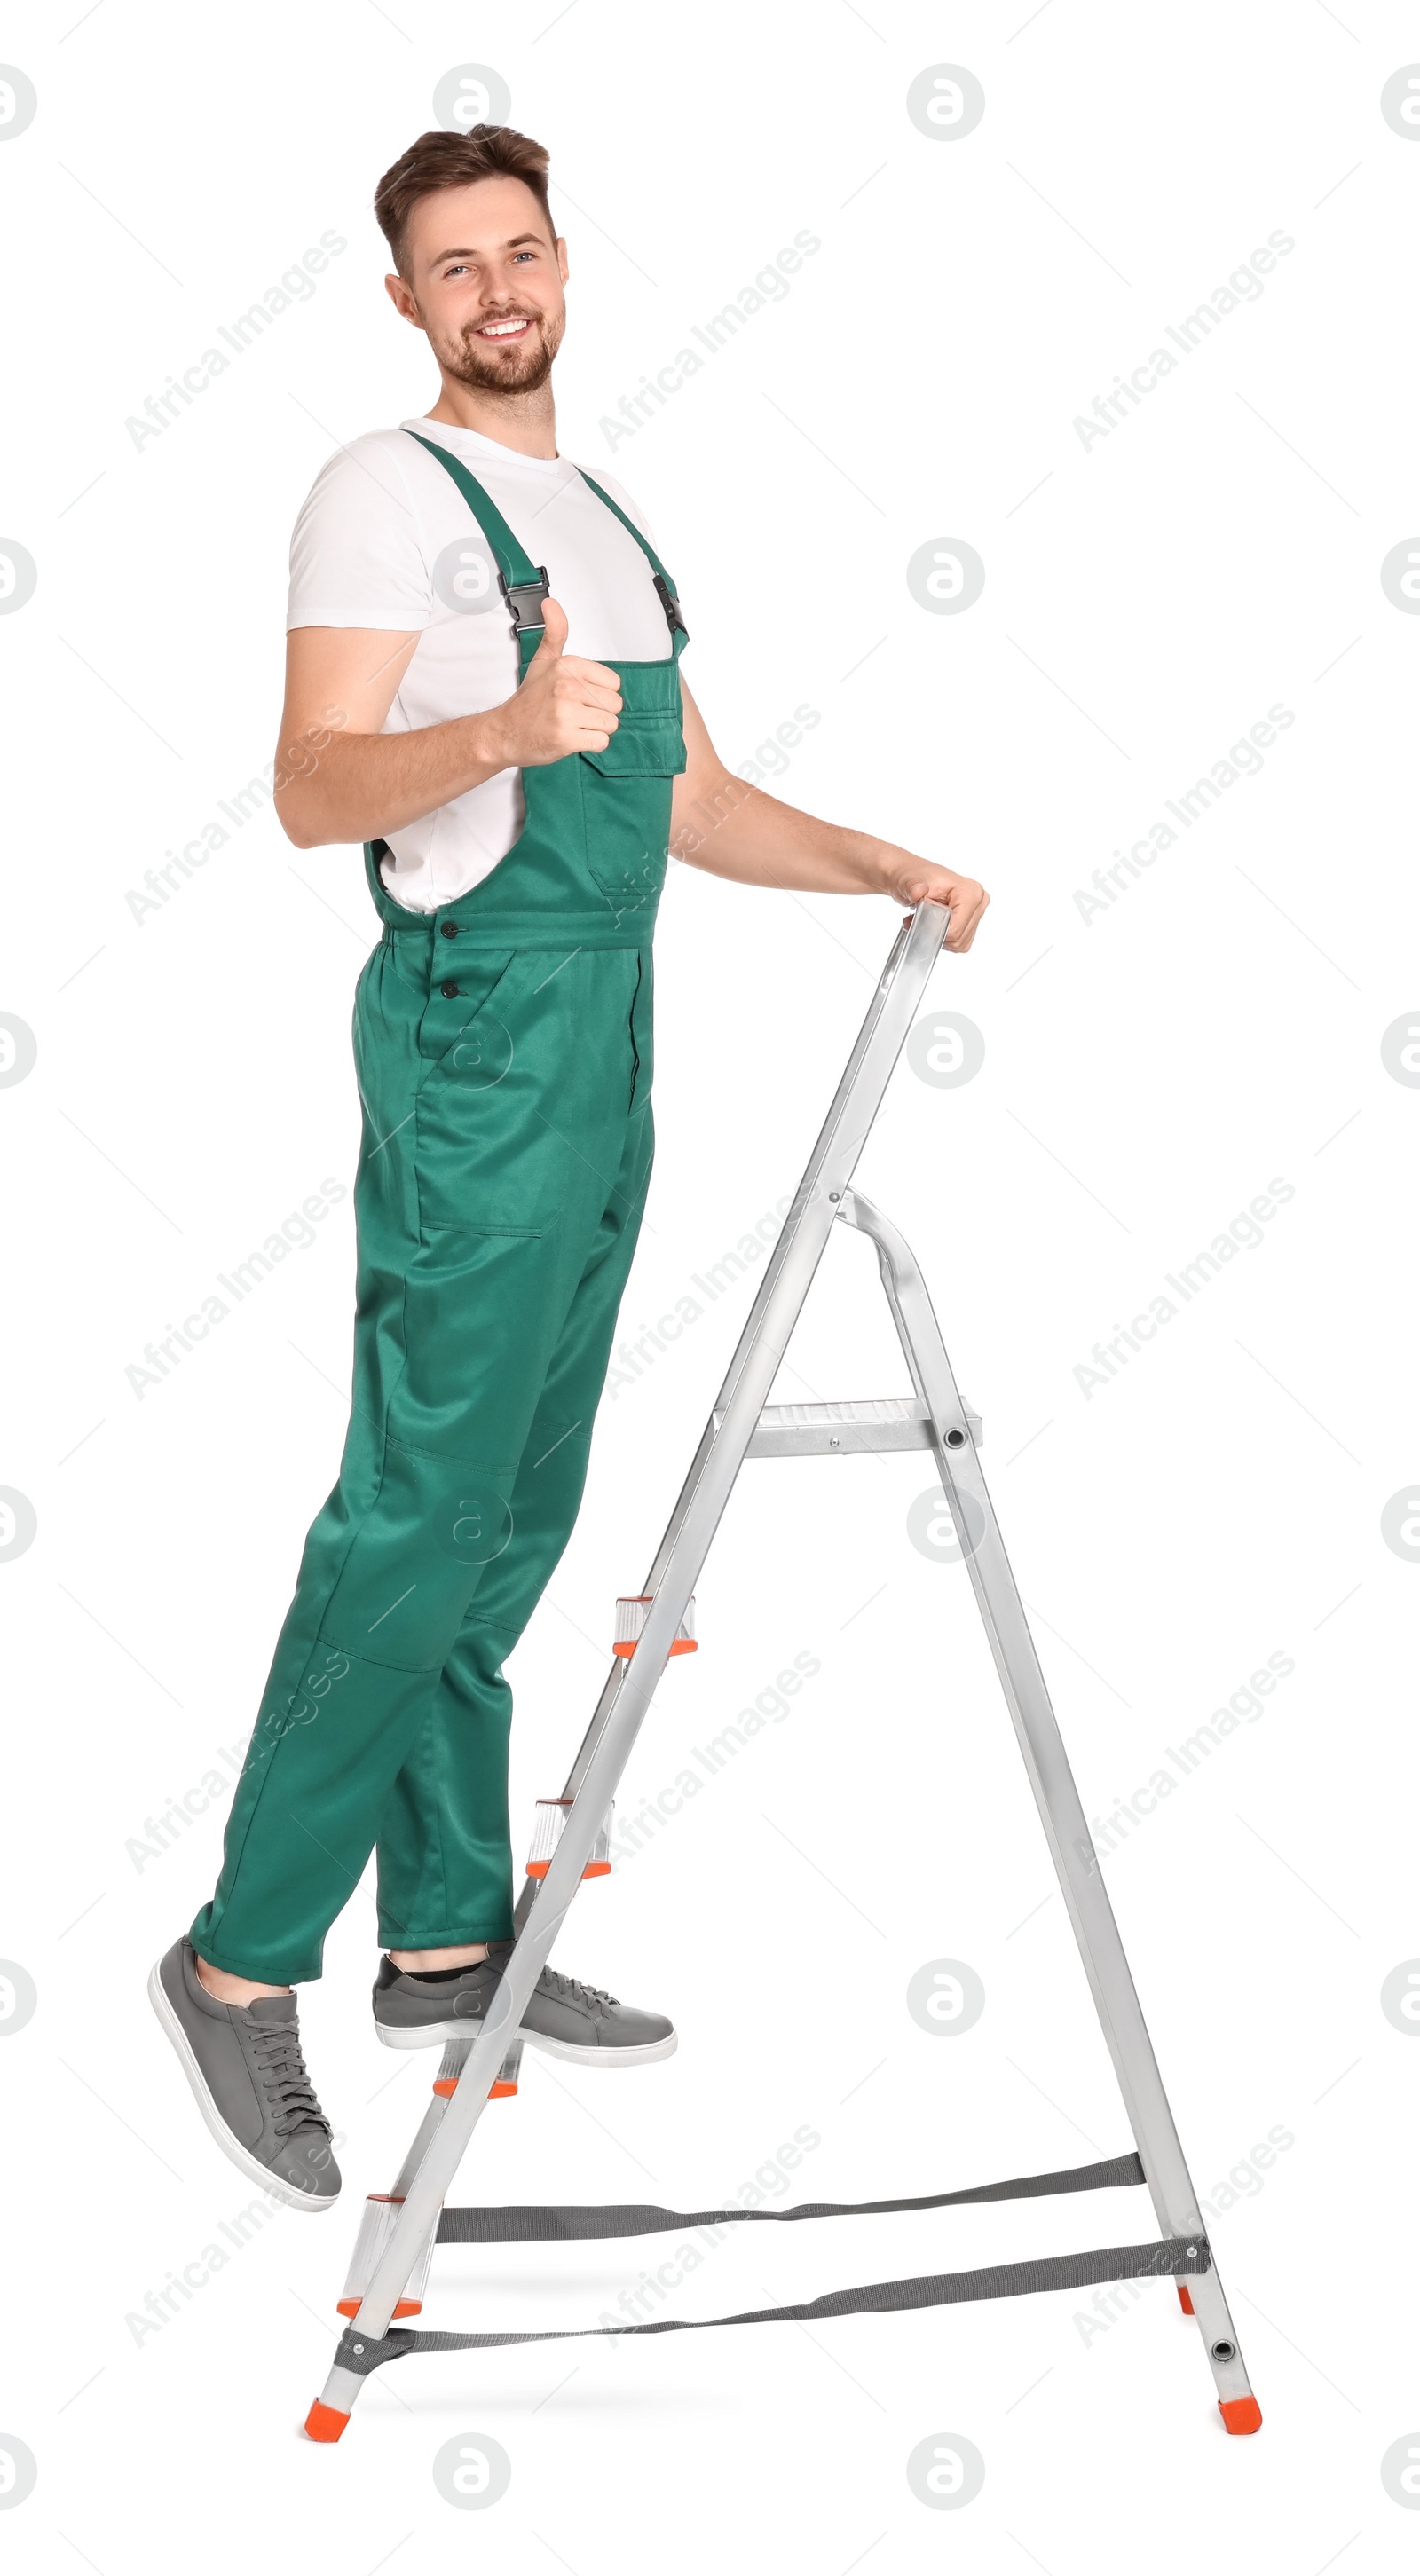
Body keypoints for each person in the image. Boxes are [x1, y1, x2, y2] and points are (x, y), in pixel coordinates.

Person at [149, 122, 990, 2209]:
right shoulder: (380, 495)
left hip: (607, 1032)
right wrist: (497, 738)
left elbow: (691, 801)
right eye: (456, 267)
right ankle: (242, 1959)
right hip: (474, 1037)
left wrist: (870, 856)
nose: (500, 291)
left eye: (522, 252)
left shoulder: (604, 518)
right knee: (416, 1502)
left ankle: (443, 1943)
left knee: (516, 1501)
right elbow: (305, 788)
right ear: (407, 299)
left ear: (556, 265)